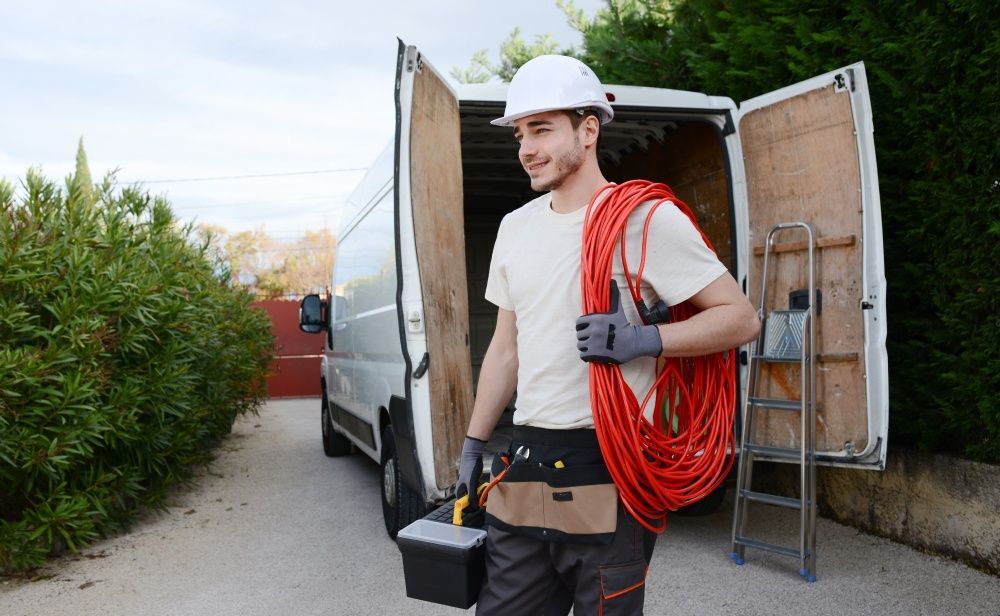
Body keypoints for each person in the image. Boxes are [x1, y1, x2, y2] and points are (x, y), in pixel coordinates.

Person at [457, 55, 760, 615]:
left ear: (588, 129)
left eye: (542, 129)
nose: (526, 147)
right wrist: (474, 446)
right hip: (525, 457)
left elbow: (741, 318)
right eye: (521, 133)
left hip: (609, 464)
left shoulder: (642, 220)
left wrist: (645, 340)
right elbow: (505, 349)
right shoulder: (514, 228)